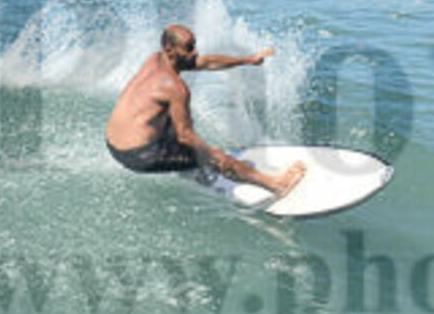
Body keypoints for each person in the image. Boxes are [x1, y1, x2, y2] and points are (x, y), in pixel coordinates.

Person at [105, 24, 305, 198]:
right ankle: (277, 185)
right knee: (212, 155)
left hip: (113, 143)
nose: (195, 52)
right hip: (139, 156)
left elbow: (207, 62)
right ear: (170, 49)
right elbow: (186, 136)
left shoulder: (155, 59)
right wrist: (216, 156)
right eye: (189, 48)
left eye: (194, 45)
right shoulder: (175, 88)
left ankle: (192, 167)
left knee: (170, 118)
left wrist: (248, 60)